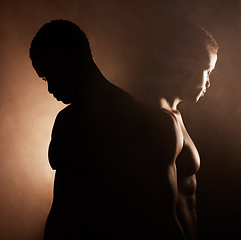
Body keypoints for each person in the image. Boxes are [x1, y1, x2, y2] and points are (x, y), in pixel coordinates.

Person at [29, 19, 218, 239]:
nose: (51, 88)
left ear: (72, 60)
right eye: (45, 79)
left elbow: (156, 214)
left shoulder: (130, 116)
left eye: (52, 75)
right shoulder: (66, 118)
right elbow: (64, 203)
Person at [129, 22, 219, 240]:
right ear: (185, 65)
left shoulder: (173, 114)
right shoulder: (160, 120)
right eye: (206, 70)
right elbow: (162, 214)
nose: (208, 81)